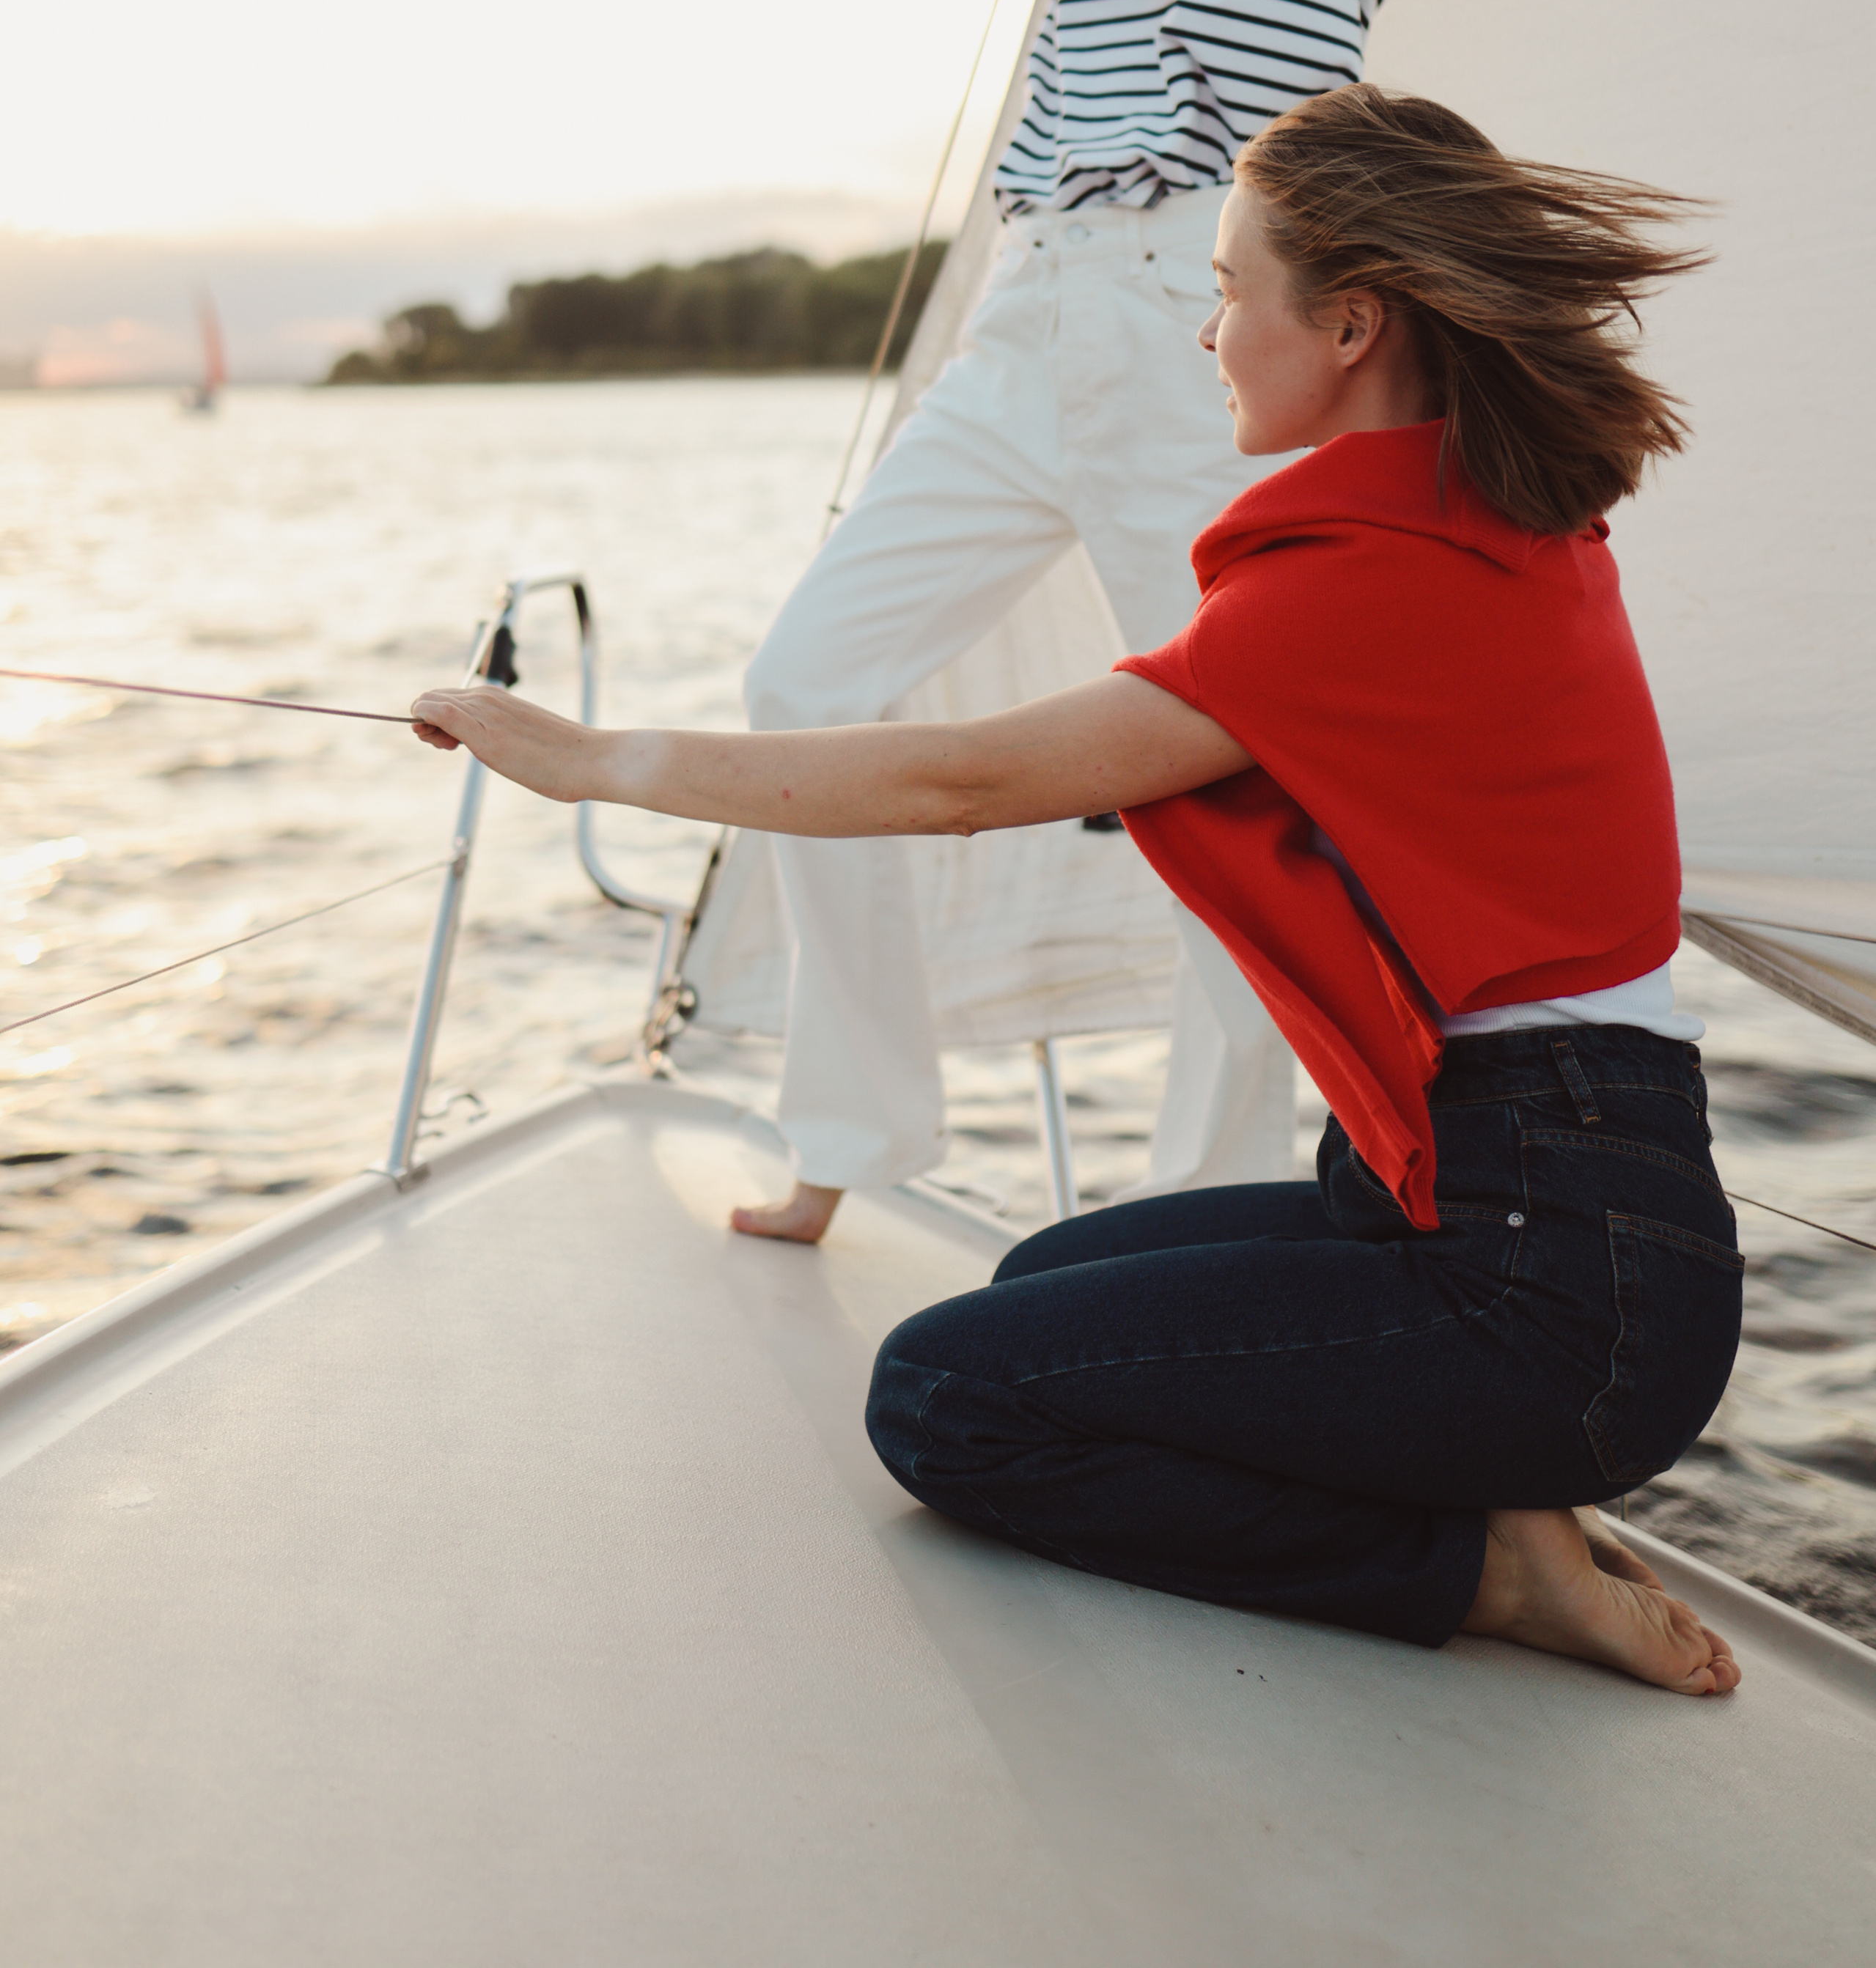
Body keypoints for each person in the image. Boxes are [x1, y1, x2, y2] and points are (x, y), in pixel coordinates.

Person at [411, 84, 1741, 1695]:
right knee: (1047, 1284)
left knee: (947, 1399)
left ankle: (1482, 1572)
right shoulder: (1490, 519)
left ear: (1349, 325)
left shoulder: (1359, 585)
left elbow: (957, 780)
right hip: (1530, 1201)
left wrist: (591, 761)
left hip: (1552, 1278)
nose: (1207, 331)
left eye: (1229, 289)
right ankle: (1507, 1501)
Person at [728, 0, 1488, 1243]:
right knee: (804, 686)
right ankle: (850, 1129)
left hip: (1206, 328)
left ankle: (1204, 1215)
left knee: (1239, 780)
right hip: (1029, 312)